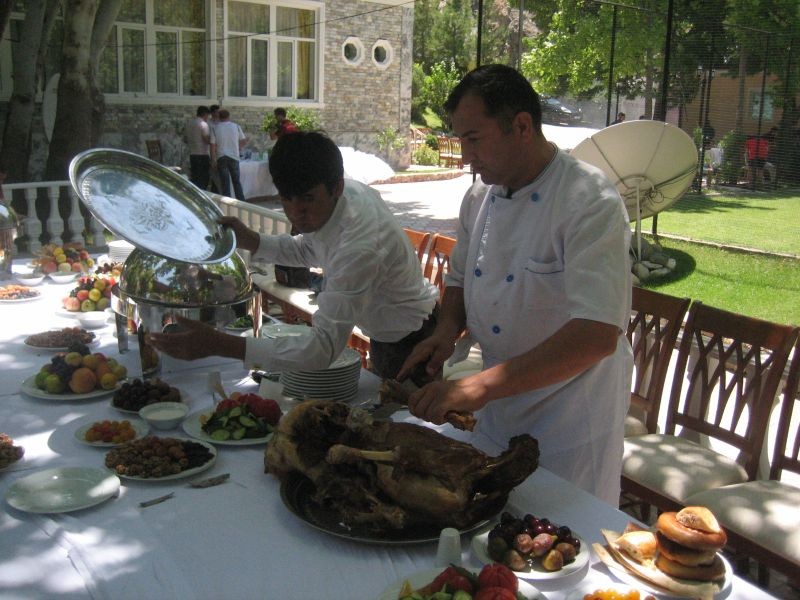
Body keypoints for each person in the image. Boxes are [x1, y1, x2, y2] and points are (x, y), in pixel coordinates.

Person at [397, 64, 633, 505]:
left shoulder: (589, 200)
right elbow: (459, 278)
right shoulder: (479, 197)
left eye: (474, 139)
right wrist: (446, 332)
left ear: (522, 126)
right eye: (461, 140)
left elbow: (597, 334)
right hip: (500, 405)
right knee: (496, 521)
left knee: (560, 534)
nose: (465, 157)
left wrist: (475, 387)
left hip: (570, 417)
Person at [148, 131, 440, 385]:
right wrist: (252, 240)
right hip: (386, 330)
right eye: (286, 199)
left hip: (413, 340)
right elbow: (307, 249)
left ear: (336, 187)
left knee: (415, 423)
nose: (295, 213)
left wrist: (222, 345)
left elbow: (323, 349)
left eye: (307, 199)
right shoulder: (340, 198)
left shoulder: (360, 247)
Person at [210, 109, 247, 201]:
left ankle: (227, 202)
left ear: (219, 117)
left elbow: (212, 145)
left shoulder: (215, 128)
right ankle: (241, 201)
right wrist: (237, 147)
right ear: (228, 116)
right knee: (236, 182)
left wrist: (213, 159)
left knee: (225, 183)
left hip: (221, 156)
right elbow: (243, 140)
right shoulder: (236, 126)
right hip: (234, 156)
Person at [183, 106, 211, 190]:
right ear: (205, 114)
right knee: (203, 177)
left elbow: (185, 139)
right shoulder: (203, 124)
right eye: (208, 115)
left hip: (192, 153)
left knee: (195, 176)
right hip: (202, 154)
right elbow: (206, 139)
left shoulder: (189, 124)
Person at [207, 105, 223, 194]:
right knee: (213, 172)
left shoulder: (222, 122)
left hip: (220, 149)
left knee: (219, 174)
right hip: (211, 148)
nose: (219, 113)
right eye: (217, 112)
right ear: (213, 113)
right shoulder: (208, 123)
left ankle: (218, 191)